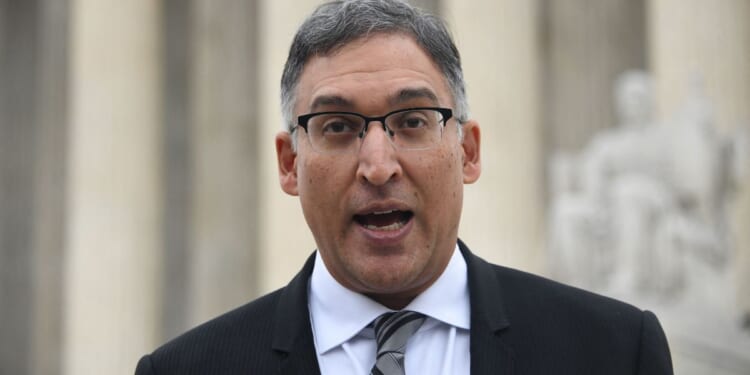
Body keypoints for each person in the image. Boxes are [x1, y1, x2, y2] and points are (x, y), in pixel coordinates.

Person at [135, 0, 673, 374]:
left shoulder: (615, 352)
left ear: (467, 151)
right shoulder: (185, 370)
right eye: (338, 127)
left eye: (412, 120)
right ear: (289, 163)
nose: (377, 165)